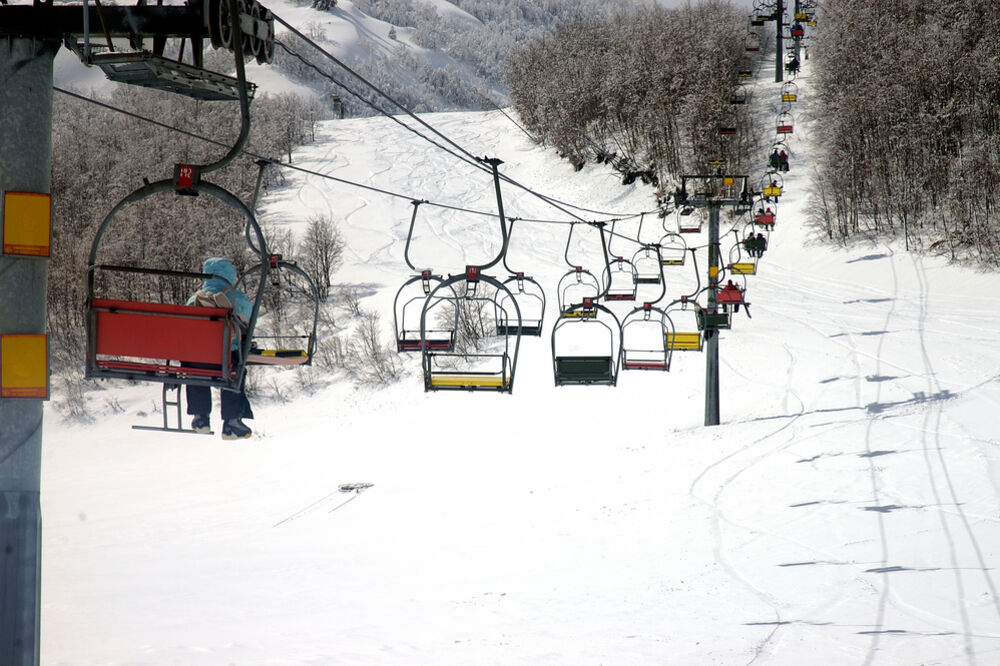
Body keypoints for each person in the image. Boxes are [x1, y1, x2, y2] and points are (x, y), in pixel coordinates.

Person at [186, 257, 255, 440]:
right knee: (235, 371)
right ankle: (231, 421)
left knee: (194, 369)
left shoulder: (193, 300)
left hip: (197, 362)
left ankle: (201, 417)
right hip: (224, 361)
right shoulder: (237, 299)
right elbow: (248, 322)